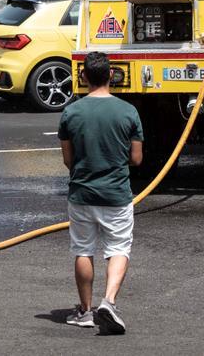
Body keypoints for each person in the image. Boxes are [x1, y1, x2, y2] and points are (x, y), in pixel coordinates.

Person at [58, 52, 144, 335]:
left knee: (83, 250)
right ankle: (109, 302)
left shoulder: (71, 112)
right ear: (110, 76)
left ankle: (85, 311)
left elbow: (68, 160)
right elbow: (136, 159)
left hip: (82, 193)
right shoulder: (128, 111)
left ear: (83, 77)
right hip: (116, 194)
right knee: (118, 248)